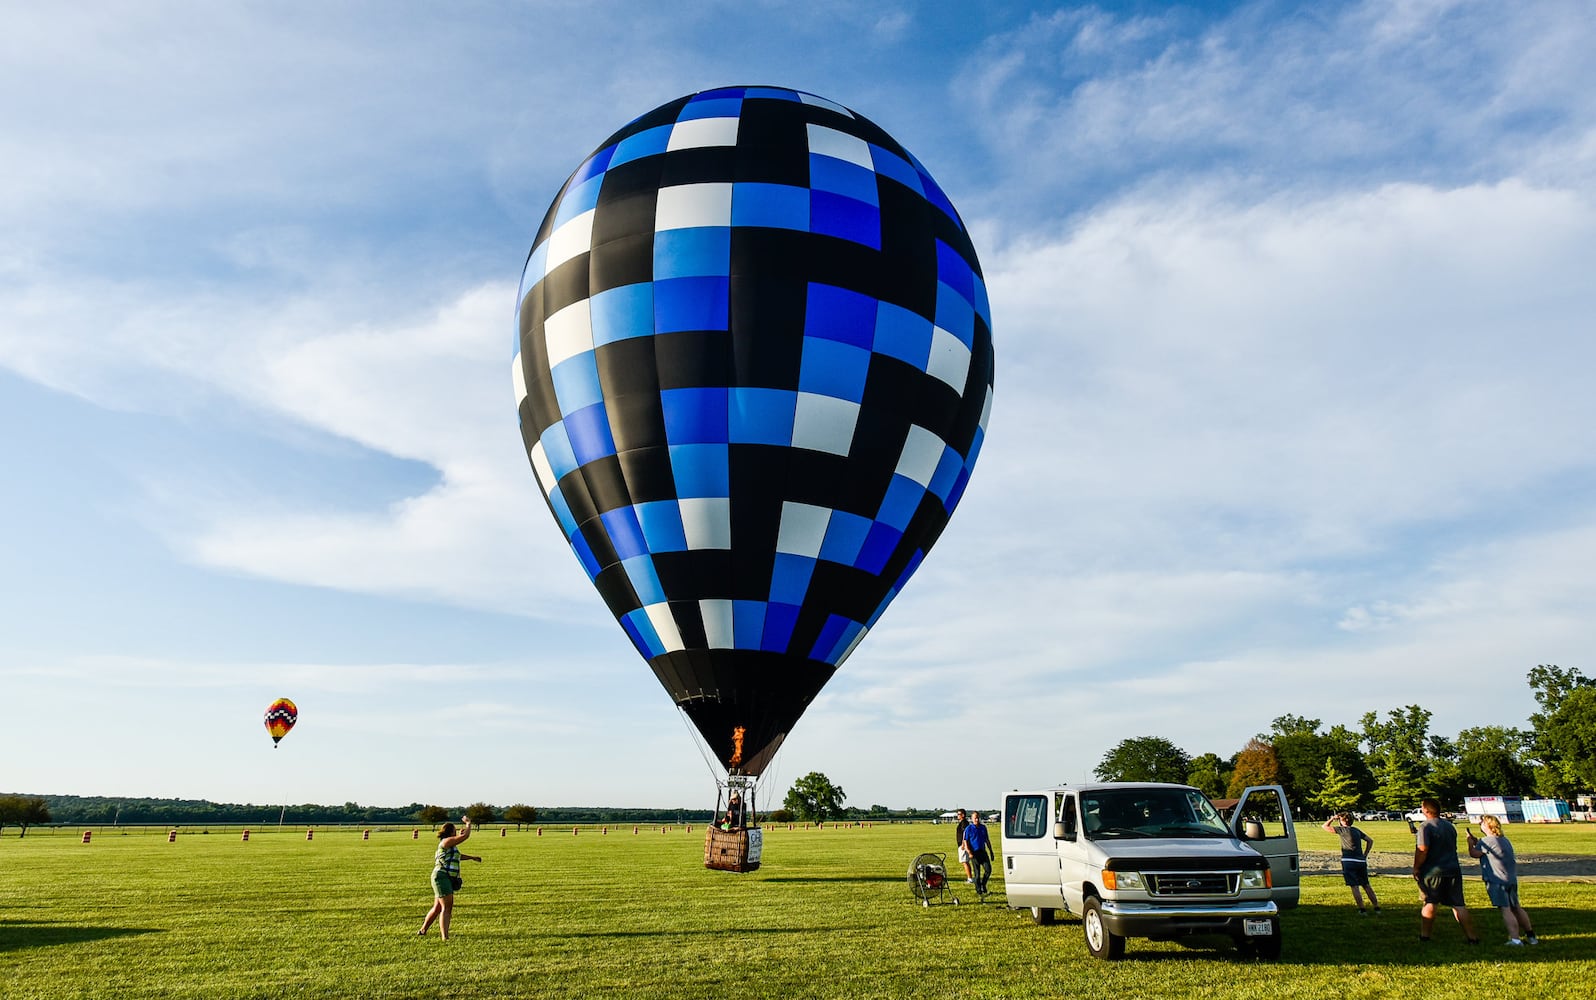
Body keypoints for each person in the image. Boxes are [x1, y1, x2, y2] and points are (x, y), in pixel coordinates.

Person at [1412, 798, 1478, 944]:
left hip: (1433, 871)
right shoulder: (1449, 826)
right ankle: (1472, 937)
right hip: (1453, 868)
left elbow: (1422, 849)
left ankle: (1425, 936)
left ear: (1426, 810)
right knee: (1458, 905)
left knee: (1430, 902)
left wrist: (1416, 867)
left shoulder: (1425, 827)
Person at [1467, 815, 1539, 946]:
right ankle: (1531, 936)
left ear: (1488, 826)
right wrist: (1478, 843)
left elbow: (1474, 854)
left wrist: (1470, 844)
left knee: (1505, 909)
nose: (1480, 824)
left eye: (1482, 823)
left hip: (1497, 880)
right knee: (1516, 907)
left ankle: (1515, 939)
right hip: (1510, 879)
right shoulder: (1504, 840)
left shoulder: (1486, 841)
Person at [419, 816, 482, 940]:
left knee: (437, 907)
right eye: (455, 830)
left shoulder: (449, 844)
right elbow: (465, 837)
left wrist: (472, 857)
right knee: (447, 907)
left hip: (442, 877)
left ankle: (423, 930)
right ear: (450, 831)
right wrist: (469, 824)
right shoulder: (446, 842)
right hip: (442, 877)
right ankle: (445, 937)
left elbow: (457, 856)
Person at [1322, 812, 1380, 914]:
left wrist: (1332, 818)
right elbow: (1370, 841)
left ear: (1342, 821)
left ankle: (1362, 909)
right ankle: (1376, 907)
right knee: (1366, 885)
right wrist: (1365, 854)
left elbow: (1325, 826)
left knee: (1354, 886)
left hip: (1348, 860)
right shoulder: (1356, 830)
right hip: (1360, 860)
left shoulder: (1342, 830)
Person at [962, 810, 993, 896]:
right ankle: (978, 889)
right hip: (974, 853)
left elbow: (987, 840)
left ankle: (983, 884)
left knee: (988, 870)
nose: (977, 819)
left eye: (978, 818)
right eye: (975, 818)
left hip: (982, 852)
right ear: (971, 819)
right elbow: (965, 841)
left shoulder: (983, 827)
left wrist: (991, 851)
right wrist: (969, 852)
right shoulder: (969, 829)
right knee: (977, 874)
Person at [954, 808, 973, 883]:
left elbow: (965, 833)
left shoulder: (964, 823)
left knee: (965, 861)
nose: (957, 816)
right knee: (964, 861)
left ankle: (970, 878)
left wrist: (963, 844)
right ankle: (970, 877)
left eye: (959, 814)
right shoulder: (962, 822)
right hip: (962, 844)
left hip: (963, 845)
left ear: (963, 815)